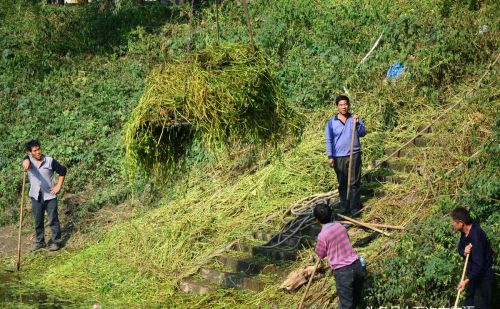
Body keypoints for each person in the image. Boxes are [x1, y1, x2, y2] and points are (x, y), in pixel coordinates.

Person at [314, 203, 365, 309]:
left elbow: (320, 253)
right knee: (355, 300)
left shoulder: (322, 236)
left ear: (317, 219)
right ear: (331, 214)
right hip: (357, 266)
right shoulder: (340, 226)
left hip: (343, 272)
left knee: (346, 305)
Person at [325, 95, 366, 216]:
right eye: (341, 104)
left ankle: (354, 209)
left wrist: (358, 123)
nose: (344, 107)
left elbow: (363, 133)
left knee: (354, 182)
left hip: (354, 154)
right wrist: (330, 156)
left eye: (346, 104)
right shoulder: (331, 123)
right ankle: (345, 206)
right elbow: (329, 140)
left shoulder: (354, 118)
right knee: (343, 183)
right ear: (337, 106)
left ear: (348, 105)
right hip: (339, 157)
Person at [22, 140, 67, 251]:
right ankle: (40, 243)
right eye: (35, 150)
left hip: (50, 196)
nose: (38, 152)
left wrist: (58, 186)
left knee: (53, 219)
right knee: (38, 221)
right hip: (35, 197)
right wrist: (25, 161)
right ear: (30, 153)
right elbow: (26, 160)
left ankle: (56, 241)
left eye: (39, 149)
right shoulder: (29, 161)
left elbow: (62, 171)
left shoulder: (49, 161)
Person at [451, 207, 494, 309]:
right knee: (467, 306)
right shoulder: (465, 232)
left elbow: (479, 265)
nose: (452, 224)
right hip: (473, 277)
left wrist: (466, 281)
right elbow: (460, 248)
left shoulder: (476, 237)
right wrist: (464, 252)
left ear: (461, 223)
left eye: (453, 222)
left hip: (483, 279)